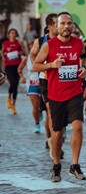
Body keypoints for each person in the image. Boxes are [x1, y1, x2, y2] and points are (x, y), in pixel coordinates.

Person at [32, 12, 86, 182]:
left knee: (77, 126)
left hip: (75, 91)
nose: (66, 26)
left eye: (69, 23)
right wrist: (51, 65)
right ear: (57, 26)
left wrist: (84, 69)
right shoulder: (49, 45)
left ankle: (75, 165)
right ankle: (56, 165)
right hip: (56, 94)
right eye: (62, 23)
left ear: (72, 26)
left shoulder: (79, 43)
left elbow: (85, 58)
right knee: (57, 133)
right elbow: (35, 66)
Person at [30, 14, 59, 153]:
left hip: (62, 79)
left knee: (60, 112)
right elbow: (32, 55)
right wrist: (42, 65)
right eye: (56, 23)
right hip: (46, 79)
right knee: (50, 111)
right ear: (49, 26)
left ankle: (57, 138)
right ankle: (51, 141)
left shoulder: (65, 40)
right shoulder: (40, 41)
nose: (60, 26)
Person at [2, 28, 25, 114]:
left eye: (15, 33)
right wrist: (4, 56)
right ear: (9, 35)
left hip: (17, 66)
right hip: (8, 66)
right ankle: (8, 98)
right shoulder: (5, 43)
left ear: (16, 35)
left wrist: (20, 52)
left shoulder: (18, 43)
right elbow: (2, 53)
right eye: (12, 33)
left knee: (15, 86)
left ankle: (13, 105)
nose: (13, 35)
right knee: (13, 83)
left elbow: (24, 52)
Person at [17, 53, 42, 133]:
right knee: (35, 106)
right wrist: (22, 77)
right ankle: (37, 124)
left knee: (42, 106)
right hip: (32, 84)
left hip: (44, 84)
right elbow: (19, 69)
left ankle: (40, 110)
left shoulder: (45, 56)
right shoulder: (27, 59)